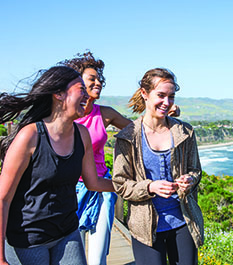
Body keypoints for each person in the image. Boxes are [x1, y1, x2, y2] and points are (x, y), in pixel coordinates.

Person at [59, 51, 181, 265]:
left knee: (97, 257)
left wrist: (166, 113)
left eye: (99, 79)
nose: (98, 82)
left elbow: (141, 130)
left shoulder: (105, 114)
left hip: (100, 188)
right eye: (91, 79)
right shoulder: (63, 115)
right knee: (72, 255)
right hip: (69, 190)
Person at [0, 66, 114, 265]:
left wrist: (136, 186)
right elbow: (3, 199)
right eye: (81, 88)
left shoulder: (82, 134)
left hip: (67, 231)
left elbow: (93, 182)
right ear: (58, 94)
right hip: (28, 239)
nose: (87, 95)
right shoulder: (30, 136)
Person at [112, 68, 204, 265]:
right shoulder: (128, 137)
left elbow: (195, 170)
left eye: (171, 96)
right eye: (161, 95)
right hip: (145, 228)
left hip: (183, 222)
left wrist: (190, 180)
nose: (167, 102)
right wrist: (150, 187)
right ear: (144, 94)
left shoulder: (184, 131)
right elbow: (120, 184)